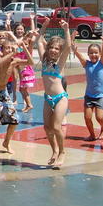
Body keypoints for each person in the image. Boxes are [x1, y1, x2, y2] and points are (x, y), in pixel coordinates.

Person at [0, 38, 32, 159]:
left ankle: (6, 142)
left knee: (14, 119)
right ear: (2, 49)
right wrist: (13, 52)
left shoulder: (14, 61)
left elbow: (30, 62)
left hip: (3, 93)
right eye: (8, 48)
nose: (10, 50)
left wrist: (24, 47)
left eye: (12, 48)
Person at [37, 19, 72, 167]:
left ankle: (62, 152)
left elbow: (68, 46)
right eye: (51, 47)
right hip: (48, 98)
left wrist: (66, 30)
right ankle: (54, 150)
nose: (53, 50)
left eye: (57, 49)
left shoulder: (60, 63)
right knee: (47, 127)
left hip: (60, 98)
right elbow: (39, 41)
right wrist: (44, 26)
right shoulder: (44, 62)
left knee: (56, 127)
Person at [72, 33, 103, 141]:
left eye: (96, 53)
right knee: (87, 118)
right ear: (88, 54)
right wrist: (73, 45)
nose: (94, 55)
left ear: (99, 53)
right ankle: (92, 134)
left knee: (99, 117)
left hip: (100, 96)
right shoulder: (86, 64)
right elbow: (77, 54)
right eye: (91, 53)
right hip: (89, 95)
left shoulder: (102, 63)